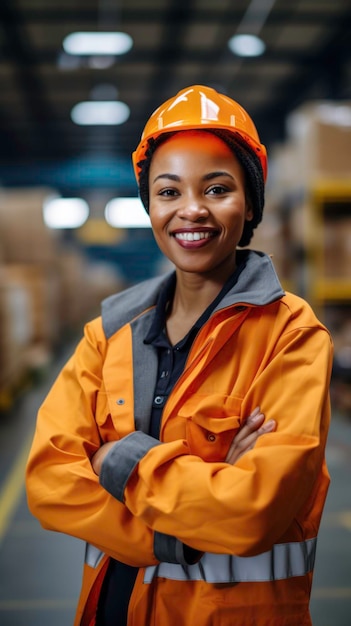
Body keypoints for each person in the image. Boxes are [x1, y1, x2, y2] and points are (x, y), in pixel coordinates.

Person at [26, 85, 333, 626]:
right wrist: (195, 505)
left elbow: (251, 511)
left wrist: (117, 461)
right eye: (168, 192)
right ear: (151, 206)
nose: (191, 210)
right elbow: (51, 480)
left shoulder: (292, 335)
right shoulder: (109, 333)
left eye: (217, 188)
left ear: (251, 203)